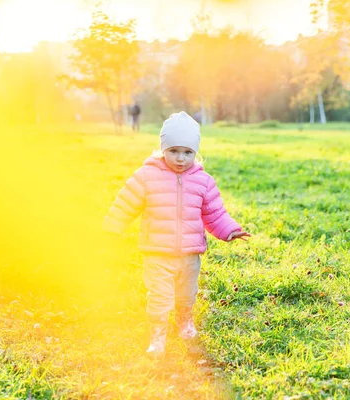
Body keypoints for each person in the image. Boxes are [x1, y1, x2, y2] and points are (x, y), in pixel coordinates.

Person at [103, 111, 251, 359]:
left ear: (195, 152)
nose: (180, 159)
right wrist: (113, 225)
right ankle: (157, 336)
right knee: (159, 297)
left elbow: (215, 213)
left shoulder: (203, 181)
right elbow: (125, 202)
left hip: (190, 254)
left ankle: (184, 323)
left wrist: (230, 230)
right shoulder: (147, 176)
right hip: (157, 253)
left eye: (187, 152)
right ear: (163, 149)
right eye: (173, 151)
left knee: (187, 294)